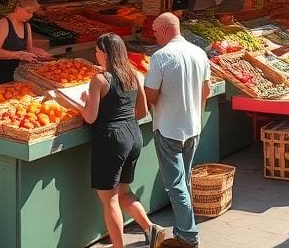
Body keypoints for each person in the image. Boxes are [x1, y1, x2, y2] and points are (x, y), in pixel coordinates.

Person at [80, 33, 155, 248]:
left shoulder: (99, 79)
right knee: (124, 191)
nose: (95, 54)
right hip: (133, 136)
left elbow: (90, 117)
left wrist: (84, 103)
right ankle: (151, 228)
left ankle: (118, 246)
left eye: (97, 51)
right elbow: (142, 112)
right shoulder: (134, 74)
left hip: (111, 141)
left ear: (105, 53)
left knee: (109, 199)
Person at [145, 13, 212, 248]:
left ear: (165, 30)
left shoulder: (160, 57)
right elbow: (207, 91)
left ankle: (188, 236)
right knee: (184, 180)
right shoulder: (199, 53)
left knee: (175, 184)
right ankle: (184, 228)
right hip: (192, 126)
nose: (153, 34)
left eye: (154, 30)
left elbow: (151, 96)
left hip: (168, 127)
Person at [0, 0, 50, 84]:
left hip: (10, 74)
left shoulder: (27, 26)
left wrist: (40, 53)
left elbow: (29, 48)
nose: (30, 16)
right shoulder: (3, 24)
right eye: (28, 12)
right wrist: (19, 55)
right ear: (18, 7)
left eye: (32, 13)